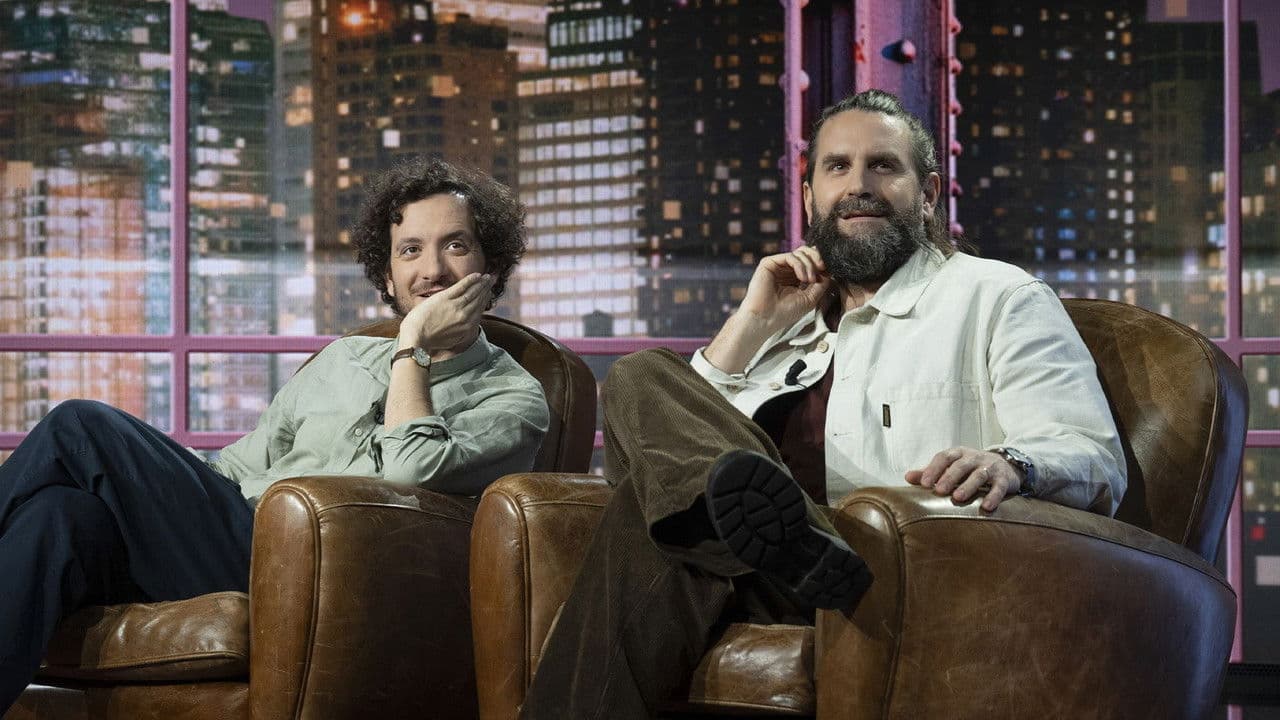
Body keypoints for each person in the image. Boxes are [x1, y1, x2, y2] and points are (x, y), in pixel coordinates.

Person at [518, 89, 1126, 719]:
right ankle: (793, 545)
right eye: (837, 167)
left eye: (882, 166)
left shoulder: (997, 296)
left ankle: (797, 542)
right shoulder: (786, 326)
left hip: (890, 571)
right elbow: (664, 463)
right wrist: (751, 324)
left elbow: (1090, 453)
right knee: (643, 385)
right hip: (770, 577)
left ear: (928, 194)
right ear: (810, 198)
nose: (858, 185)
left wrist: (1010, 463)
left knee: (657, 525)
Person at [0, 157, 551, 710]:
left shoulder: (512, 397)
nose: (431, 269)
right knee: (59, 516)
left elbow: (410, 472)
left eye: (455, 245)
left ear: (491, 265)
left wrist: (413, 346)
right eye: (410, 250)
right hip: (227, 538)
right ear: (387, 276)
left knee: (80, 423)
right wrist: (148, 483)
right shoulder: (342, 358)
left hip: (316, 576)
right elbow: (236, 468)